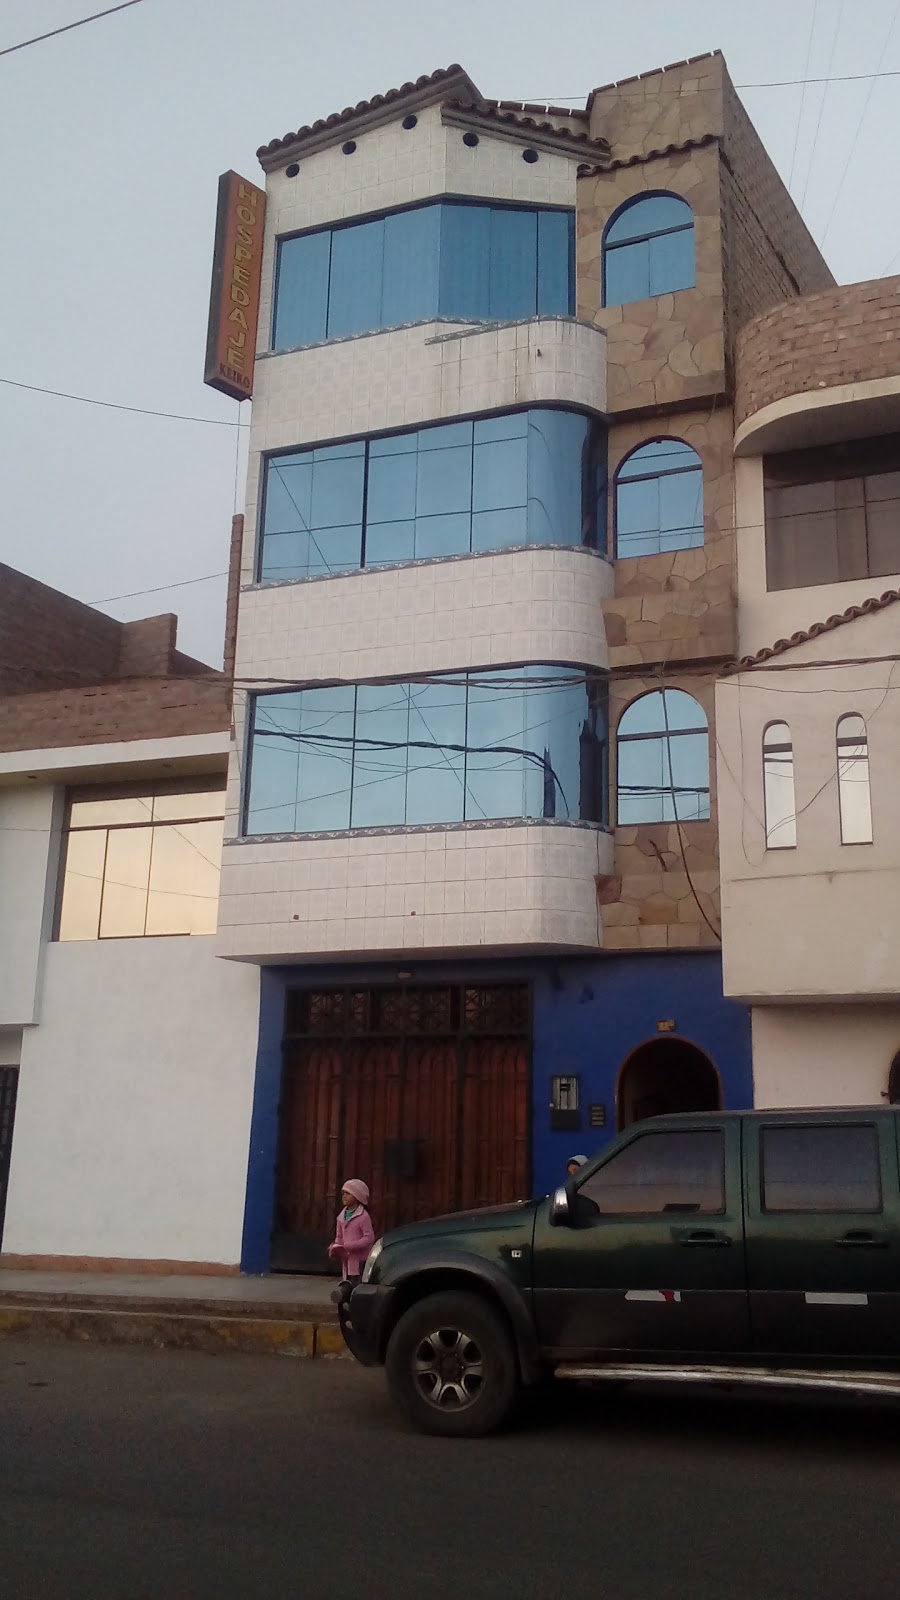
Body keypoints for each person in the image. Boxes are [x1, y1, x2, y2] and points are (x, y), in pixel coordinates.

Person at [328, 1179, 375, 1307]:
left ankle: (359, 1304)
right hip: (347, 1260)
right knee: (347, 1282)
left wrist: (351, 1245)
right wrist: (335, 1248)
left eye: (348, 1193)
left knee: (358, 1283)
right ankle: (346, 1302)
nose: (344, 1196)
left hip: (360, 1260)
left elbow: (369, 1237)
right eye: (343, 1193)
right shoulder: (341, 1217)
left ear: (358, 1196)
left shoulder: (363, 1216)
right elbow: (339, 1237)